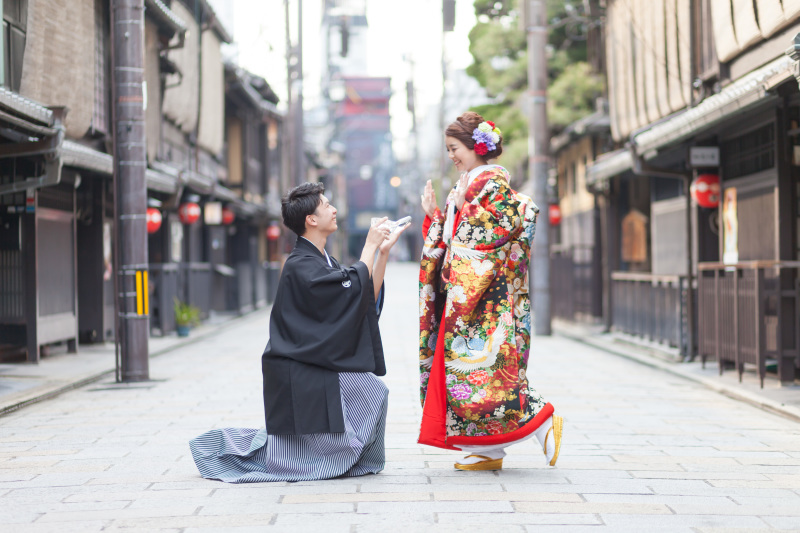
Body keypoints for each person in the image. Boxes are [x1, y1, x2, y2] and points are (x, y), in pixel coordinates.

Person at [190, 182, 406, 482]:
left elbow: (362, 295)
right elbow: (353, 288)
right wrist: (368, 247)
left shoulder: (320, 261)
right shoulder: (299, 264)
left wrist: (381, 253)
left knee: (373, 389)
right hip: (296, 366)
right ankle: (319, 459)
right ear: (311, 220)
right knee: (366, 389)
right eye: (326, 204)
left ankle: (351, 457)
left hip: (313, 359)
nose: (333, 209)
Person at [417, 112, 563, 471]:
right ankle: (487, 450)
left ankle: (541, 419)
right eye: (449, 149)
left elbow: (485, 241)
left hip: (488, 299)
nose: (451, 156)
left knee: (488, 374)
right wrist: (437, 216)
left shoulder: (490, 186)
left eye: (455, 148)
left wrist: (445, 223)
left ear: (475, 147)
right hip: (474, 295)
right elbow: (457, 238)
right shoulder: (469, 185)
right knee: (466, 375)